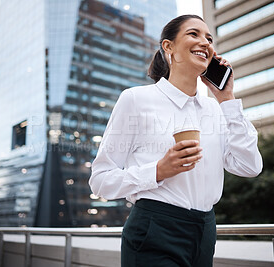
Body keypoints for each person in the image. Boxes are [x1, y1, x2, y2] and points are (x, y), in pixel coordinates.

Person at [89, 14, 263, 267]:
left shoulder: (215, 109)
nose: (205, 42)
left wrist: (227, 100)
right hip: (154, 229)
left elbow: (249, 166)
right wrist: (158, 171)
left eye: (209, 38)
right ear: (168, 46)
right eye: (194, 34)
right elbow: (100, 181)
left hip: (205, 232)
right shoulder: (136, 99)